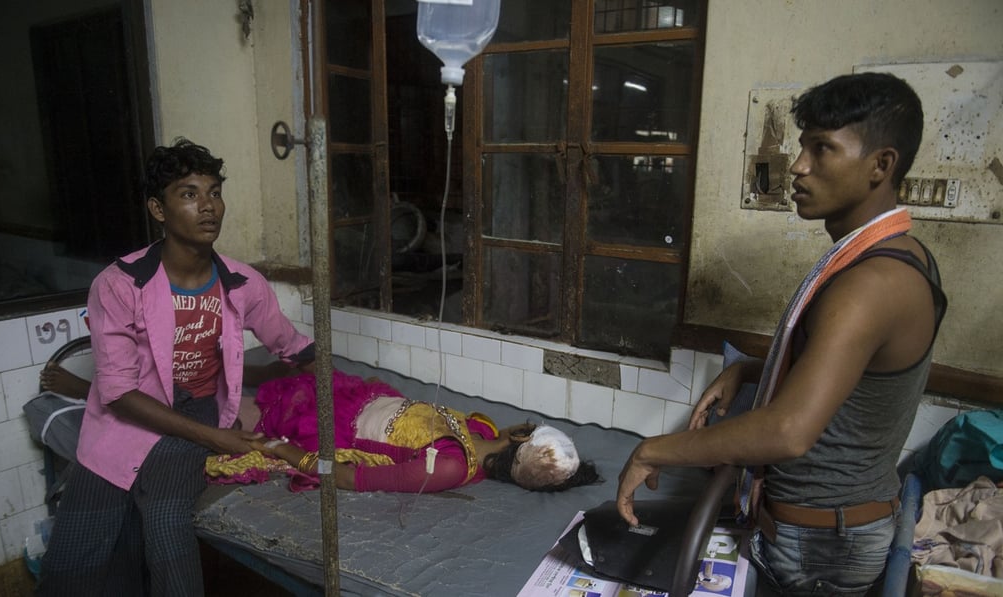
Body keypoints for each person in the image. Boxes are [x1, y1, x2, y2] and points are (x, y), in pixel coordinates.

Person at [615, 72, 947, 595]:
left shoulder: (871, 285)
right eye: (802, 146)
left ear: (880, 165)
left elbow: (788, 431)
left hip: (820, 546)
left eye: (823, 149)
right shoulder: (898, 255)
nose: (798, 166)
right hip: (834, 528)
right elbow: (843, 365)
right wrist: (748, 368)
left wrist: (654, 450)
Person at [37, 138, 315, 597]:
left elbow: (291, 347)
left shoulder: (244, 284)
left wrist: (343, 390)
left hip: (197, 408)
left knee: (166, 521)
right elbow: (120, 393)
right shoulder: (120, 284)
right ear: (158, 209)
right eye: (188, 194)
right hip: (122, 420)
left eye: (214, 192)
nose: (208, 207)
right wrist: (219, 440)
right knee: (72, 561)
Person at [247, 370, 602, 493]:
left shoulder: (449, 467)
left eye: (529, 425)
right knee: (281, 374)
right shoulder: (480, 429)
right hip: (356, 398)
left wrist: (284, 451)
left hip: (326, 427)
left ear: (521, 435)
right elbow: (418, 421)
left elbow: (350, 478)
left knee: (245, 412)